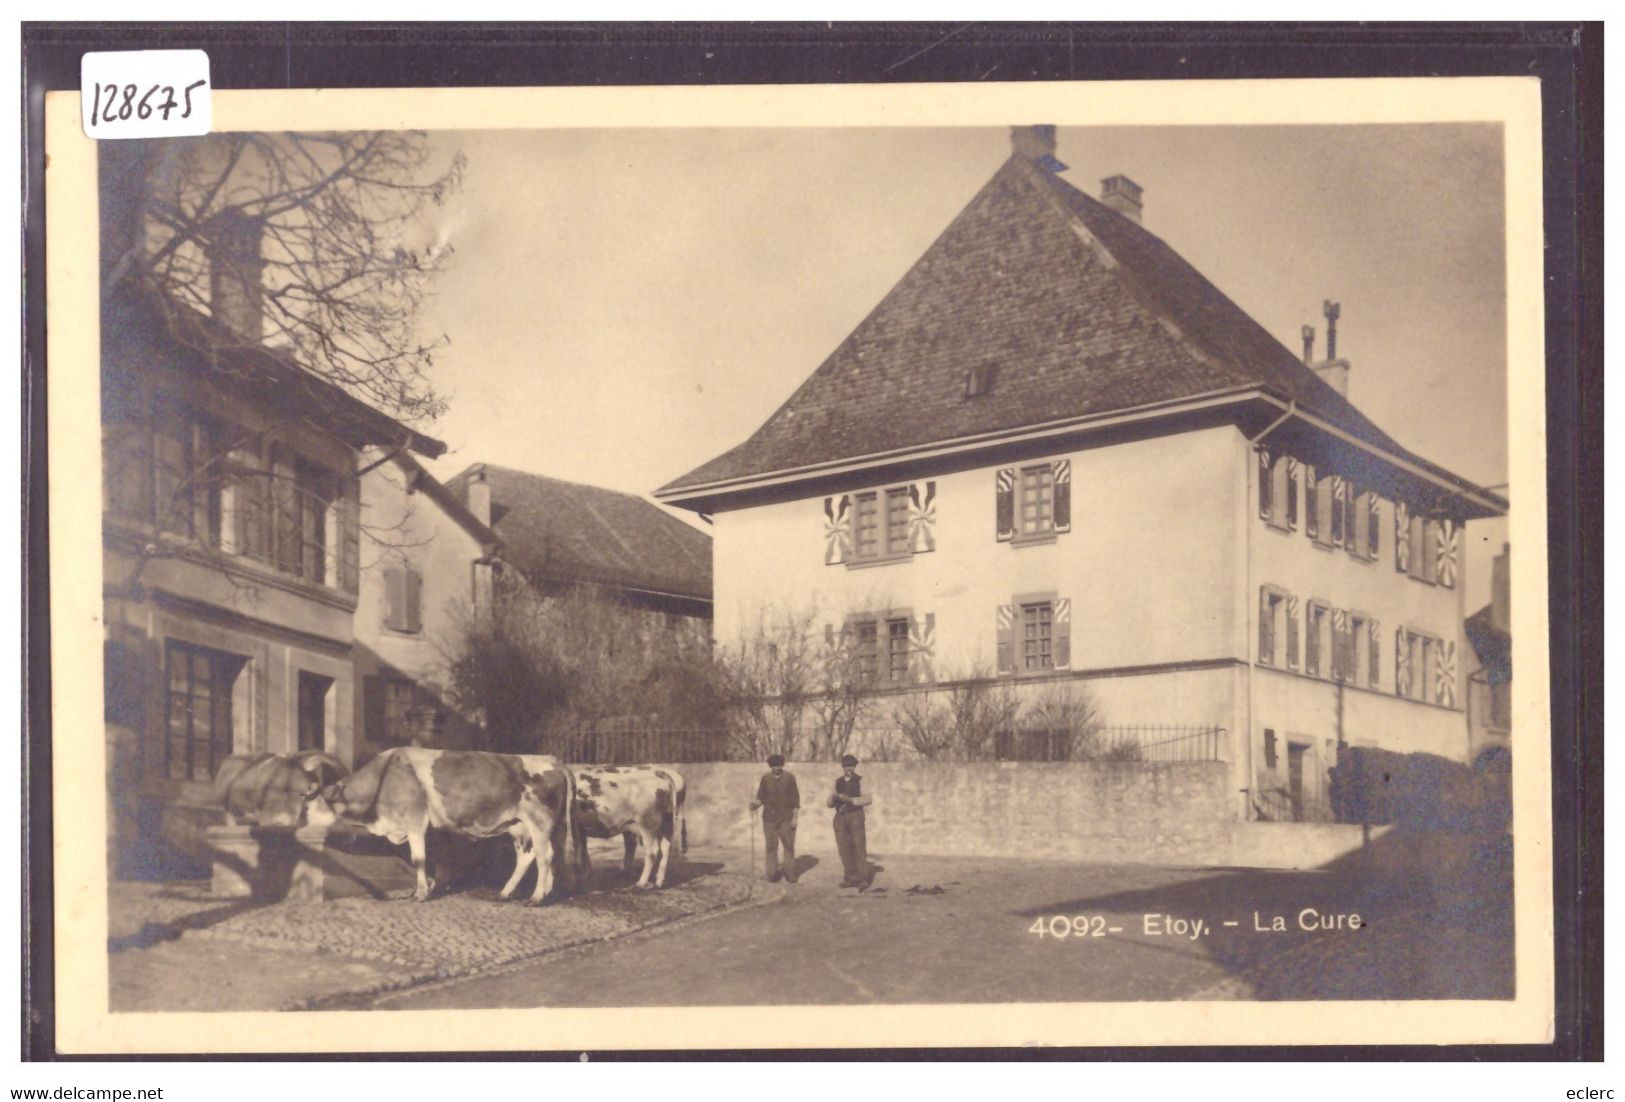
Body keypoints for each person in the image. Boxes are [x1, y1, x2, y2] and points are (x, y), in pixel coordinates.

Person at [748, 753, 800, 883]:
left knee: (788, 846)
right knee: (771, 846)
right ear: (770, 766)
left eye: (778, 765)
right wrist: (754, 805)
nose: (776, 767)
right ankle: (771, 874)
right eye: (773, 765)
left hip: (786, 818)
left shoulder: (790, 778)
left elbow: (795, 801)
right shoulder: (765, 779)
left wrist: (795, 818)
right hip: (769, 819)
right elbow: (760, 797)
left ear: (782, 765)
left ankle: (790, 874)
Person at [826, 754, 874, 889]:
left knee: (858, 847)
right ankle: (850, 878)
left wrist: (851, 800)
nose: (848, 768)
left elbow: (868, 799)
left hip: (855, 816)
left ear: (854, 767)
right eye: (846, 766)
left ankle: (863, 879)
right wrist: (833, 798)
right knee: (844, 849)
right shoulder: (837, 782)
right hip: (840, 817)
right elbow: (829, 803)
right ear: (843, 767)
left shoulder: (861, 780)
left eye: (851, 766)